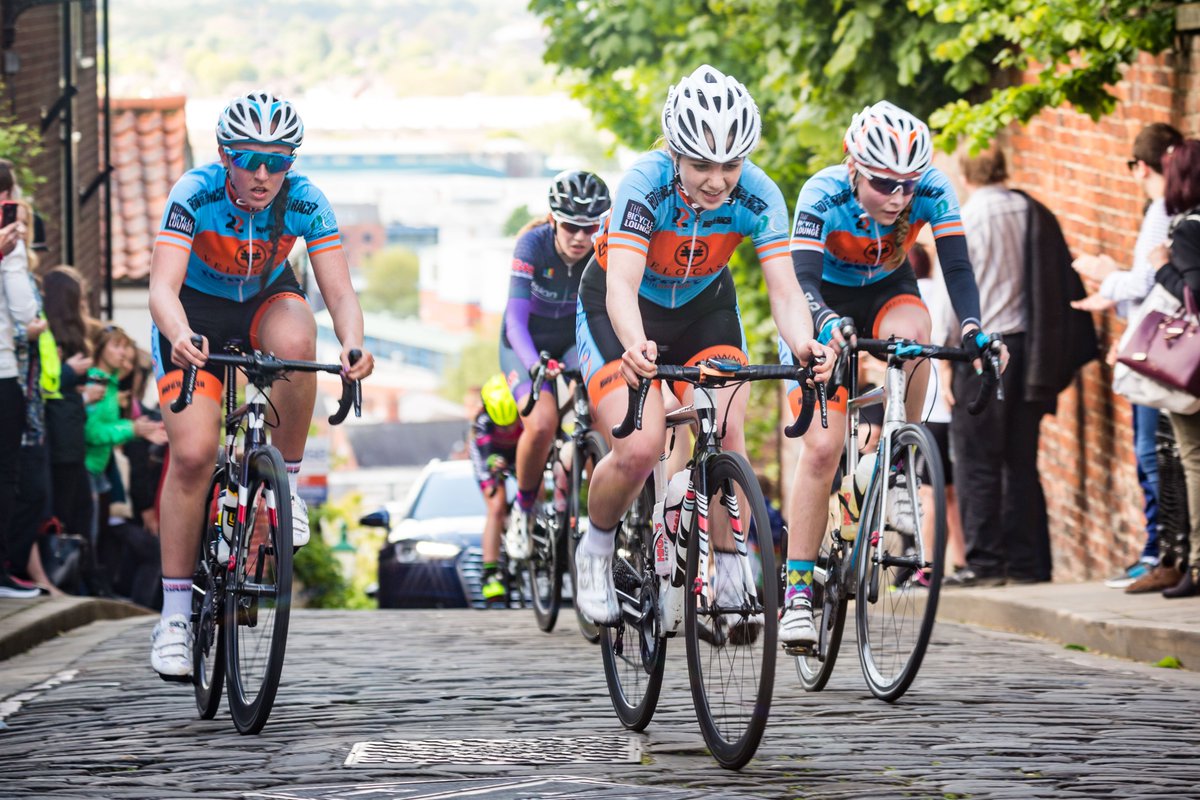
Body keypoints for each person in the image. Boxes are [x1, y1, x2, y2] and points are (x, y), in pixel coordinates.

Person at [573, 64, 833, 626]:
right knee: (640, 447)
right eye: (701, 165)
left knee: (725, 426)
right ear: (674, 152)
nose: (718, 180)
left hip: (703, 308)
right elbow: (620, 285)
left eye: (731, 164)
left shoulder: (760, 195)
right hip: (621, 306)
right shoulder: (645, 184)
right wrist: (635, 343)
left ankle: (730, 566)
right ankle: (594, 547)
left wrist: (805, 344)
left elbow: (786, 291)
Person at [148, 91, 375, 679]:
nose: (264, 173)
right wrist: (177, 334)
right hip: (193, 314)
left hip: (263, 304)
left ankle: (286, 489)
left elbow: (339, 293)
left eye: (279, 160)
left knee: (300, 344)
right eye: (251, 158)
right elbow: (161, 290)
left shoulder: (303, 200)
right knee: (195, 455)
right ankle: (174, 616)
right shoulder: (193, 194)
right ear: (226, 156)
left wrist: (353, 345)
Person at [779, 102, 1007, 645]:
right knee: (821, 448)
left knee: (919, 341)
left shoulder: (933, 188)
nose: (899, 197)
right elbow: (800, 279)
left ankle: (892, 454)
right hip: (821, 299)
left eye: (908, 184)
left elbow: (955, 265)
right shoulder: (821, 193)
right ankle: (797, 593)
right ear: (852, 165)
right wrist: (826, 322)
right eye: (884, 184)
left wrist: (974, 327)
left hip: (888, 289)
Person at [942, 144, 1095, 587]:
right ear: (1003, 168)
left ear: (966, 175)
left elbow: (958, 294)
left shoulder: (968, 219)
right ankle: (1028, 564)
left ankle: (986, 562)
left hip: (981, 350)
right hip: (1031, 350)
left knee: (977, 459)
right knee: (1021, 459)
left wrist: (947, 355)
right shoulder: (1033, 212)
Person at [1072, 123, 1183, 590]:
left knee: (1153, 453)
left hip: (1157, 350)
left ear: (1140, 166)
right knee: (1158, 453)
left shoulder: (1162, 210)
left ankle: (1162, 552)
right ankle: (1161, 551)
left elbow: (1145, 282)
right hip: (1155, 341)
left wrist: (1106, 276)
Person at [503, 170, 611, 559]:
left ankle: (603, 518)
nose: (581, 237)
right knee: (544, 422)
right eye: (570, 227)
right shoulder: (532, 245)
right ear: (553, 220)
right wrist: (533, 366)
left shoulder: (603, 250)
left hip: (573, 342)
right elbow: (514, 321)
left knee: (605, 420)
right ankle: (524, 509)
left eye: (590, 227)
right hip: (527, 343)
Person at [1148, 138, 1200, 598]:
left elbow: (1194, 293)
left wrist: (1162, 267)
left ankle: (1198, 565)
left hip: (1192, 364)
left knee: (1194, 460)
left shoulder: (1186, 228)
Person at [0, 193, 39, 597]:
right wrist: (11, 256)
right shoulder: (9, 251)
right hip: (3, 371)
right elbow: (26, 311)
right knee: (6, 475)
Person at [468, 374, 523, 602]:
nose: (509, 428)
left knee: (536, 491)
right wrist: (494, 471)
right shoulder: (482, 422)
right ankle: (490, 573)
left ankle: (530, 527)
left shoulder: (525, 407)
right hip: (491, 456)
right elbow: (487, 460)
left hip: (519, 451)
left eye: (512, 424)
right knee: (497, 506)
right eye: (504, 426)